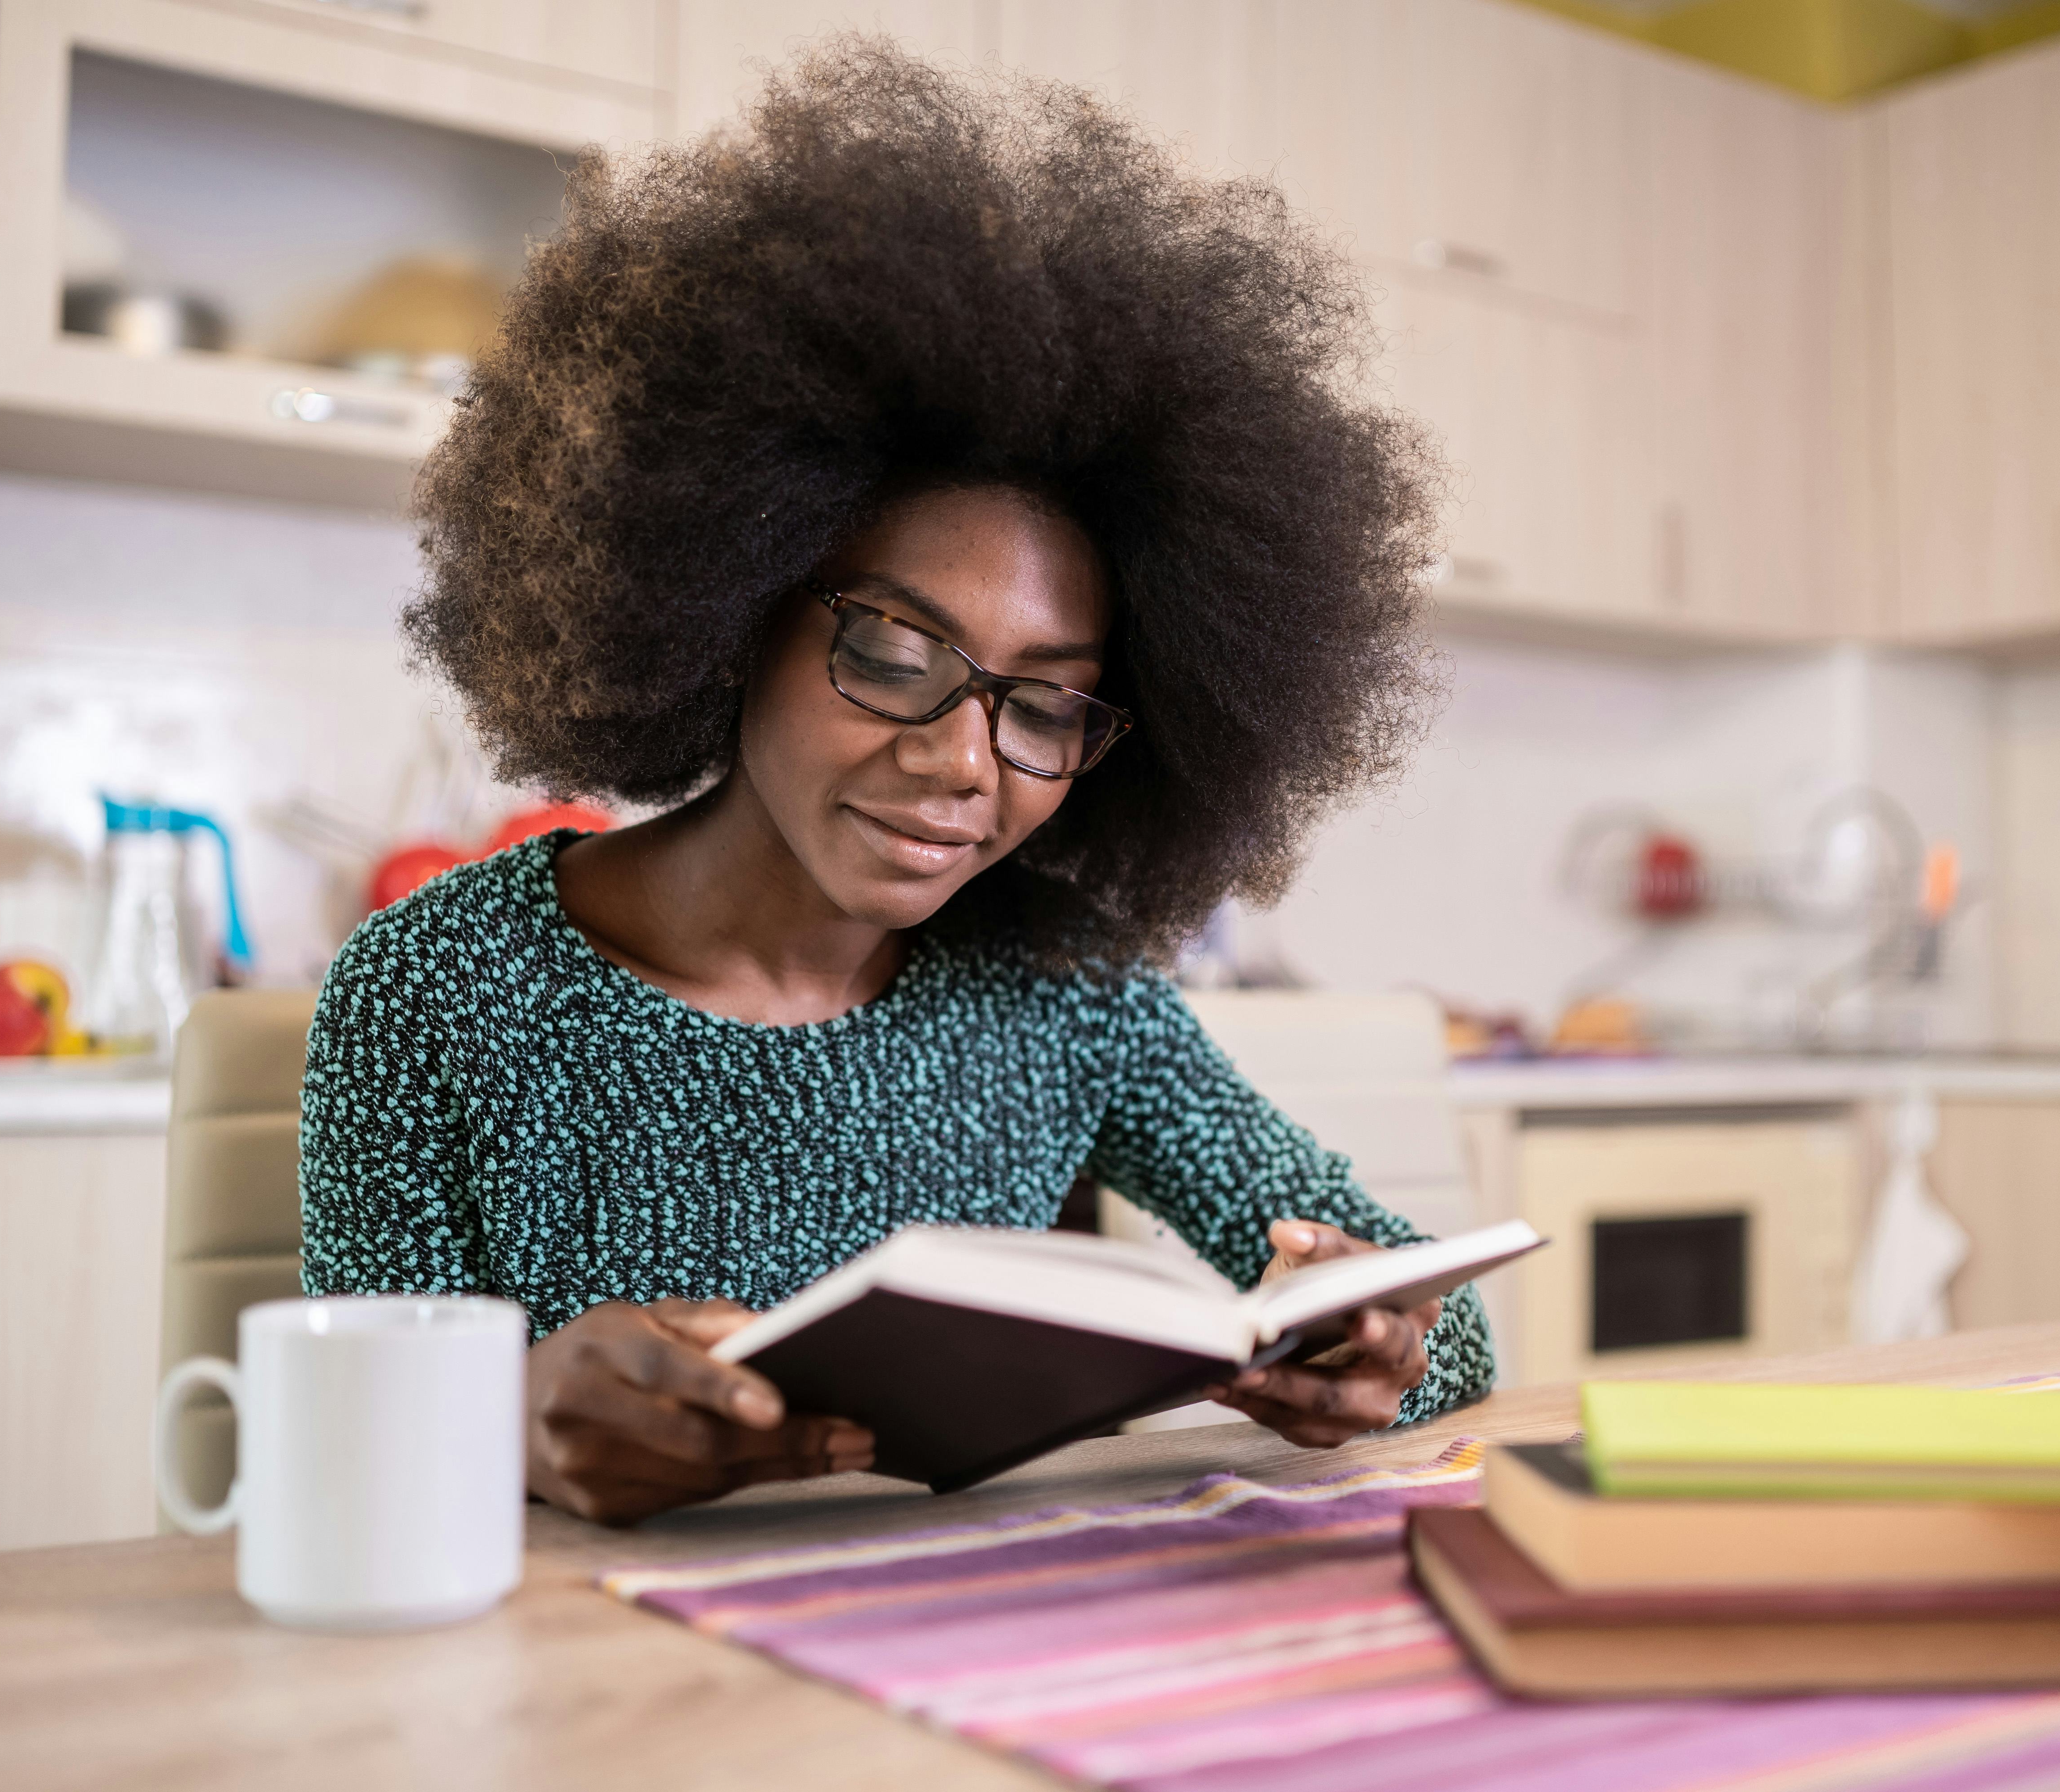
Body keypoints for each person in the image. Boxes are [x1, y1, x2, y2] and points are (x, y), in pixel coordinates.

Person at [299, 39, 1493, 1526]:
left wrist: (1368, 1350)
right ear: (725, 605)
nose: (961, 761)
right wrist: (508, 1424)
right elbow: (339, 1446)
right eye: (892, 646)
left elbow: (1437, 1322)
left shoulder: (1066, 991)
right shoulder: (436, 990)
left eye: (1045, 706)